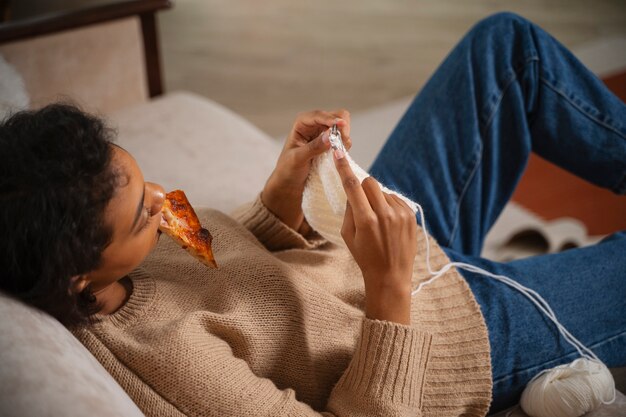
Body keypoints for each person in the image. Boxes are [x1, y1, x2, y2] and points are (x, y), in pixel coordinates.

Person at [1, 12, 624, 417]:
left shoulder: (130, 249)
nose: (164, 199)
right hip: (445, 336)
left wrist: (282, 192)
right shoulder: (169, 358)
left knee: (507, 47)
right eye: (140, 212)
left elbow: (228, 262)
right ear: (77, 278)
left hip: (378, 263)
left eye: (143, 175)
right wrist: (387, 288)